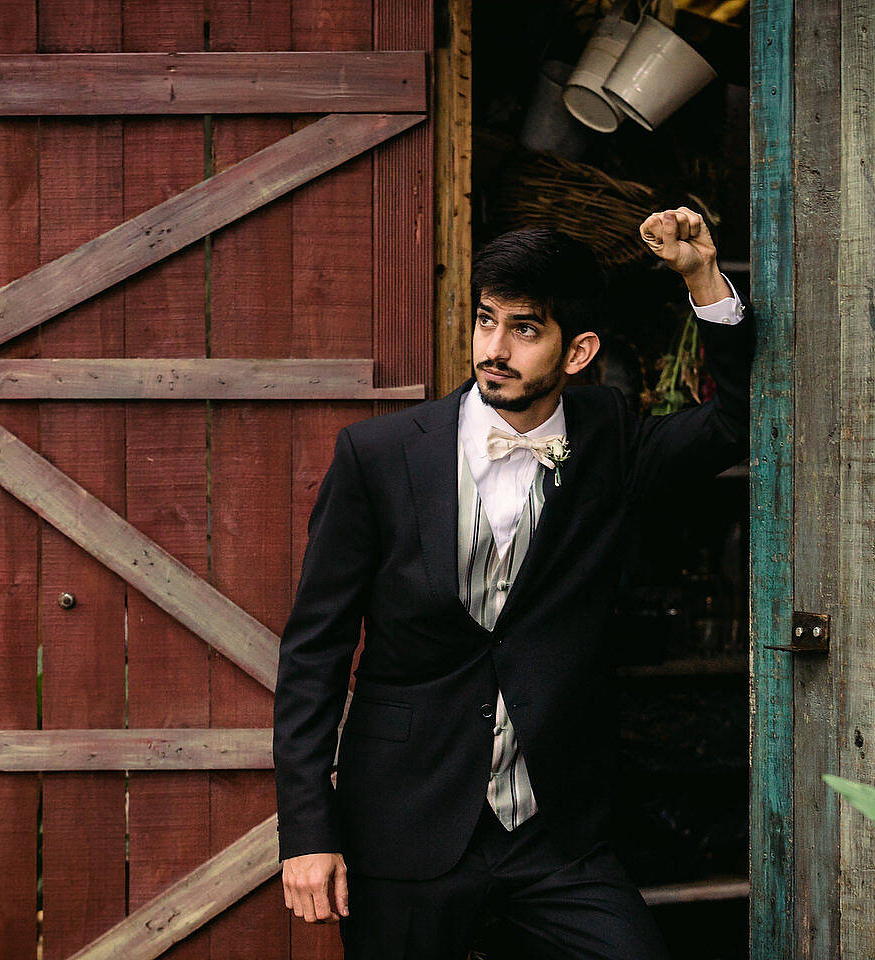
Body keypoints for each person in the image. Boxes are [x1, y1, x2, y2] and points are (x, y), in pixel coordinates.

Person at [273, 208, 755, 959]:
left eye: (525, 329)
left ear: (579, 350)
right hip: (406, 822)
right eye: (486, 321)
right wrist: (307, 831)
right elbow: (313, 653)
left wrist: (701, 278)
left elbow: (734, 421)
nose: (493, 350)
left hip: (555, 834)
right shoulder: (379, 456)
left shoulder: (610, 440)